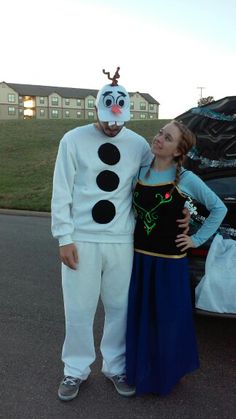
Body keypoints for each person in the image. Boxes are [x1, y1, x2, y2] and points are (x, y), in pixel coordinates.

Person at [51, 68, 190, 401]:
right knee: (79, 308)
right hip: (81, 239)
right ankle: (75, 370)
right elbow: (62, 191)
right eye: (108, 120)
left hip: (122, 241)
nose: (114, 126)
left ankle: (115, 366)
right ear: (96, 111)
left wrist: (183, 213)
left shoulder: (138, 144)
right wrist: (64, 237)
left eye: (119, 121)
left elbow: (160, 178)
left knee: (119, 308)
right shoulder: (73, 139)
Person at [125, 120, 227, 396]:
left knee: (168, 320)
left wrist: (195, 238)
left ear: (178, 152)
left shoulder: (187, 180)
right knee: (141, 317)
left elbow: (218, 209)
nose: (159, 138)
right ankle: (140, 369)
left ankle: (167, 374)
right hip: (140, 259)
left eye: (167, 138)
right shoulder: (140, 172)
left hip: (170, 261)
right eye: (160, 133)